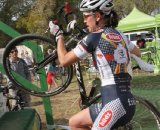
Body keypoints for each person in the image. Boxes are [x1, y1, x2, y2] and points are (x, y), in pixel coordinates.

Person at [49, 0, 141, 129]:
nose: (85, 21)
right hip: (126, 101)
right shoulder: (120, 34)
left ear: (97, 16)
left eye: (86, 16)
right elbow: (138, 52)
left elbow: (64, 60)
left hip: (114, 105)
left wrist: (58, 35)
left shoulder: (94, 37)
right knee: (75, 123)